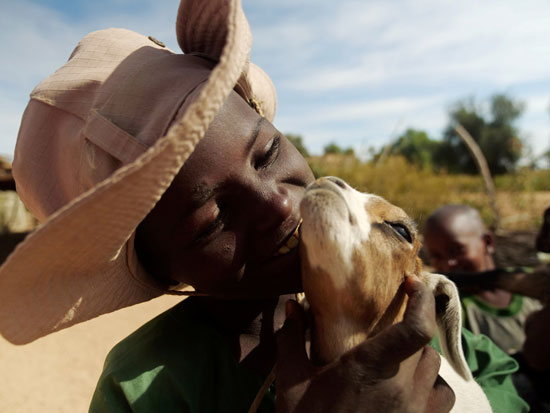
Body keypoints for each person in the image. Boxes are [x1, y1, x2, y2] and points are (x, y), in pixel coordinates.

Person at [0, 1, 527, 412]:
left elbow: (495, 379)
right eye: (213, 221)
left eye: (268, 152)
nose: (277, 204)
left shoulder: (404, 309)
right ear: (165, 272)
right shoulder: (146, 387)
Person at [422, 204, 542, 356]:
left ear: (487, 242)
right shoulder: (450, 308)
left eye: (457, 250)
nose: (448, 263)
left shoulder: (533, 284)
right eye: (436, 256)